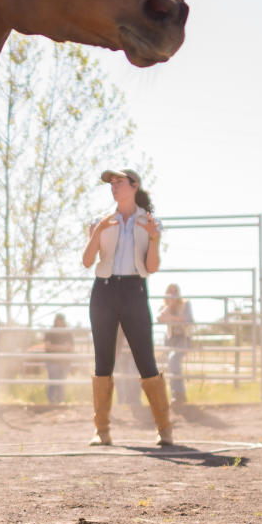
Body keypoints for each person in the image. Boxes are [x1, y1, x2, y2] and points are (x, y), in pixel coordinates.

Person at [81, 167, 174, 446]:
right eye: (111, 183)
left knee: (146, 360)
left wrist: (154, 239)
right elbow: (87, 261)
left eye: (119, 182)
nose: (114, 186)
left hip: (134, 291)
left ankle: (164, 429)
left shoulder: (150, 222)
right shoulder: (101, 221)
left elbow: (152, 267)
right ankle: (102, 431)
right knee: (103, 361)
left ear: (134, 186)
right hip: (104, 292)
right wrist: (97, 231)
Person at [157, 281, 192, 405]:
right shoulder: (164, 307)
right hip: (171, 340)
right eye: (169, 291)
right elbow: (160, 318)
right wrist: (168, 306)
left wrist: (170, 318)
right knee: (171, 365)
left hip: (183, 338)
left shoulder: (185, 304)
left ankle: (179, 394)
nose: (172, 294)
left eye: (174, 291)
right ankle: (176, 395)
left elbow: (187, 319)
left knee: (173, 360)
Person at [40, 312, 73, 405]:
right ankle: (51, 402)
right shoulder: (50, 332)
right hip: (52, 361)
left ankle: (60, 402)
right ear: (56, 321)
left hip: (64, 362)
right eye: (59, 320)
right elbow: (47, 347)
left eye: (62, 320)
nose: (60, 322)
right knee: (53, 381)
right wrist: (63, 347)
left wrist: (55, 347)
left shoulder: (67, 333)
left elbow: (70, 347)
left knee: (61, 383)